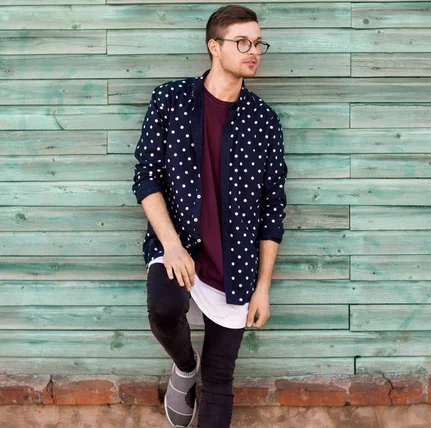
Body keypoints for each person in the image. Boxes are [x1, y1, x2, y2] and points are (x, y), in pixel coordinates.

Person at [131, 5, 288, 427]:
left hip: (235, 265)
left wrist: (263, 288)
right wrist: (171, 246)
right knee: (164, 308)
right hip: (176, 244)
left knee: (221, 380)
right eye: (242, 42)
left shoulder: (264, 121)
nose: (253, 51)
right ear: (214, 47)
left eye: (258, 43)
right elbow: (146, 177)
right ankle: (185, 366)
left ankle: (201, 378)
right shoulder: (171, 100)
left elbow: (273, 209)